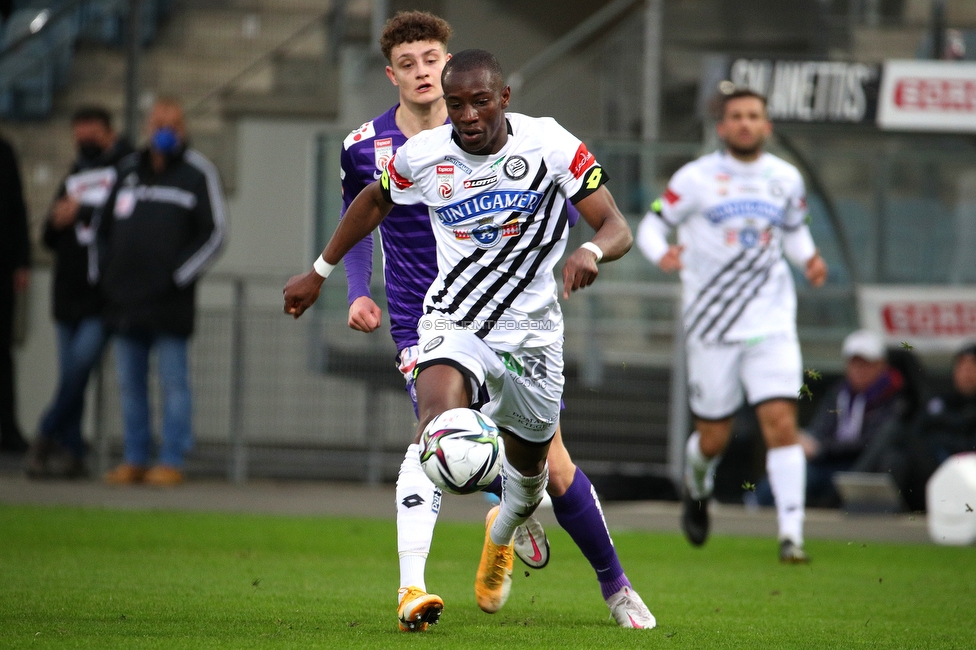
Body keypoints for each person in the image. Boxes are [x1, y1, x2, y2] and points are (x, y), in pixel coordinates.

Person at [285, 48, 646, 627]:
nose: (469, 115)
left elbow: (616, 224)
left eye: (481, 102)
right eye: (457, 105)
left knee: (538, 480)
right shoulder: (424, 155)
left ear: (504, 99)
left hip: (532, 338)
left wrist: (590, 249)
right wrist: (319, 272)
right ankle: (412, 589)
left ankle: (535, 541)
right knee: (436, 434)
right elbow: (373, 201)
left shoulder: (550, 145)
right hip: (454, 322)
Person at [636, 88, 828, 563]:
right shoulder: (695, 178)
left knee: (781, 423)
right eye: (736, 116)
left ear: (767, 125)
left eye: (754, 116)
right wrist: (664, 253)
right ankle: (697, 487)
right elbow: (651, 226)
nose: (745, 123)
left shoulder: (786, 178)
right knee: (714, 438)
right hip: (712, 326)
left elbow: (795, 229)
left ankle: (791, 535)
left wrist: (810, 259)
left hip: (771, 321)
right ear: (722, 127)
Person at [93, 98, 226, 486]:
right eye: (158, 124)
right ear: (148, 127)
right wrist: (108, 277)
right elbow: (100, 231)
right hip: (125, 302)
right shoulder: (127, 170)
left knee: (173, 383)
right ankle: (134, 458)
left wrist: (177, 276)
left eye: (172, 124)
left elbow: (215, 233)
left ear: (183, 129)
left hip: (169, 304)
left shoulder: (197, 173)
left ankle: (170, 460)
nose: (164, 131)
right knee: (130, 385)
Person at [26, 106, 134, 479]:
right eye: (78, 133)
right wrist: (59, 220)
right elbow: (49, 236)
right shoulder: (75, 171)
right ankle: (71, 451)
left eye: (89, 132)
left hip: (100, 296)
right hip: (67, 294)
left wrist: (83, 212)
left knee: (77, 370)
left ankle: (44, 433)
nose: (82, 140)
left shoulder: (127, 168)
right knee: (71, 377)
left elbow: (124, 219)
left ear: (107, 131)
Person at [756, 329, 908, 508]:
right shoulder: (839, 393)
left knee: (804, 476)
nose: (858, 370)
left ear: (881, 365)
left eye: (865, 364)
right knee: (788, 472)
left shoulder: (892, 397)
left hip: (860, 466)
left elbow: (872, 443)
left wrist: (820, 448)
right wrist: (806, 440)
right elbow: (821, 428)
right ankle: (755, 505)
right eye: (854, 364)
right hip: (828, 462)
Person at [902, 343, 976, 511]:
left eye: (973, 366)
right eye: (962, 366)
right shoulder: (940, 402)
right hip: (935, 470)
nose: (967, 373)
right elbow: (917, 435)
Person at [0, 134, 31, 454]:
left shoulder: (5, 151)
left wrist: (22, 261)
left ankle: (8, 429)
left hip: (2, 270)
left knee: (3, 355)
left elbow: (17, 206)